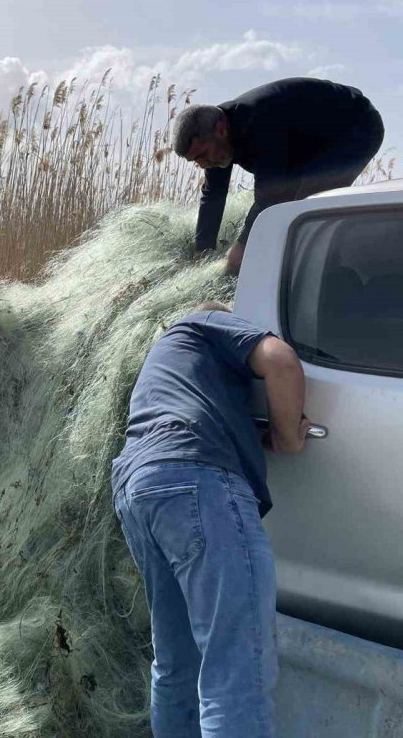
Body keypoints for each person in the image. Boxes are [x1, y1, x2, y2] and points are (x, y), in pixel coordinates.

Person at [111, 302, 310, 738]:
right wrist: (286, 437)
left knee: (177, 665)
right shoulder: (202, 321)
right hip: (195, 479)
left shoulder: (169, 364)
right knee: (237, 672)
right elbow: (280, 360)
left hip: (137, 488)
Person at [174, 77, 384, 274]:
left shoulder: (259, 122)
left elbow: (271, 196)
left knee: (306, 205)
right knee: (289, 210)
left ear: (221, 130)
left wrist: (243, 247)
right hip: (306, 142)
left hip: (356, 126)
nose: (202, 165)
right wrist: (202, 251)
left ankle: (329, 271)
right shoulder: (215, 136)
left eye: (201, 155)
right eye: (195, 161)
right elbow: (214, 195)